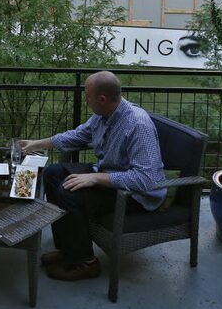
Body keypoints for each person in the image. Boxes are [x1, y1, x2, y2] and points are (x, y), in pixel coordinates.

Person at [20, 71, 166, 281]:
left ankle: (86, 262)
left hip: (135, 195)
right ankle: (68, 250)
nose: (85, 99)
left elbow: (145, 179)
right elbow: (78, 135)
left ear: (102, 99)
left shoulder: (138, 125)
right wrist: (38, 144)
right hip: (108, 176)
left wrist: (95, 178)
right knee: (53, 173)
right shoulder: (103, 115)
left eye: (87, 95)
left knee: (69, 192)